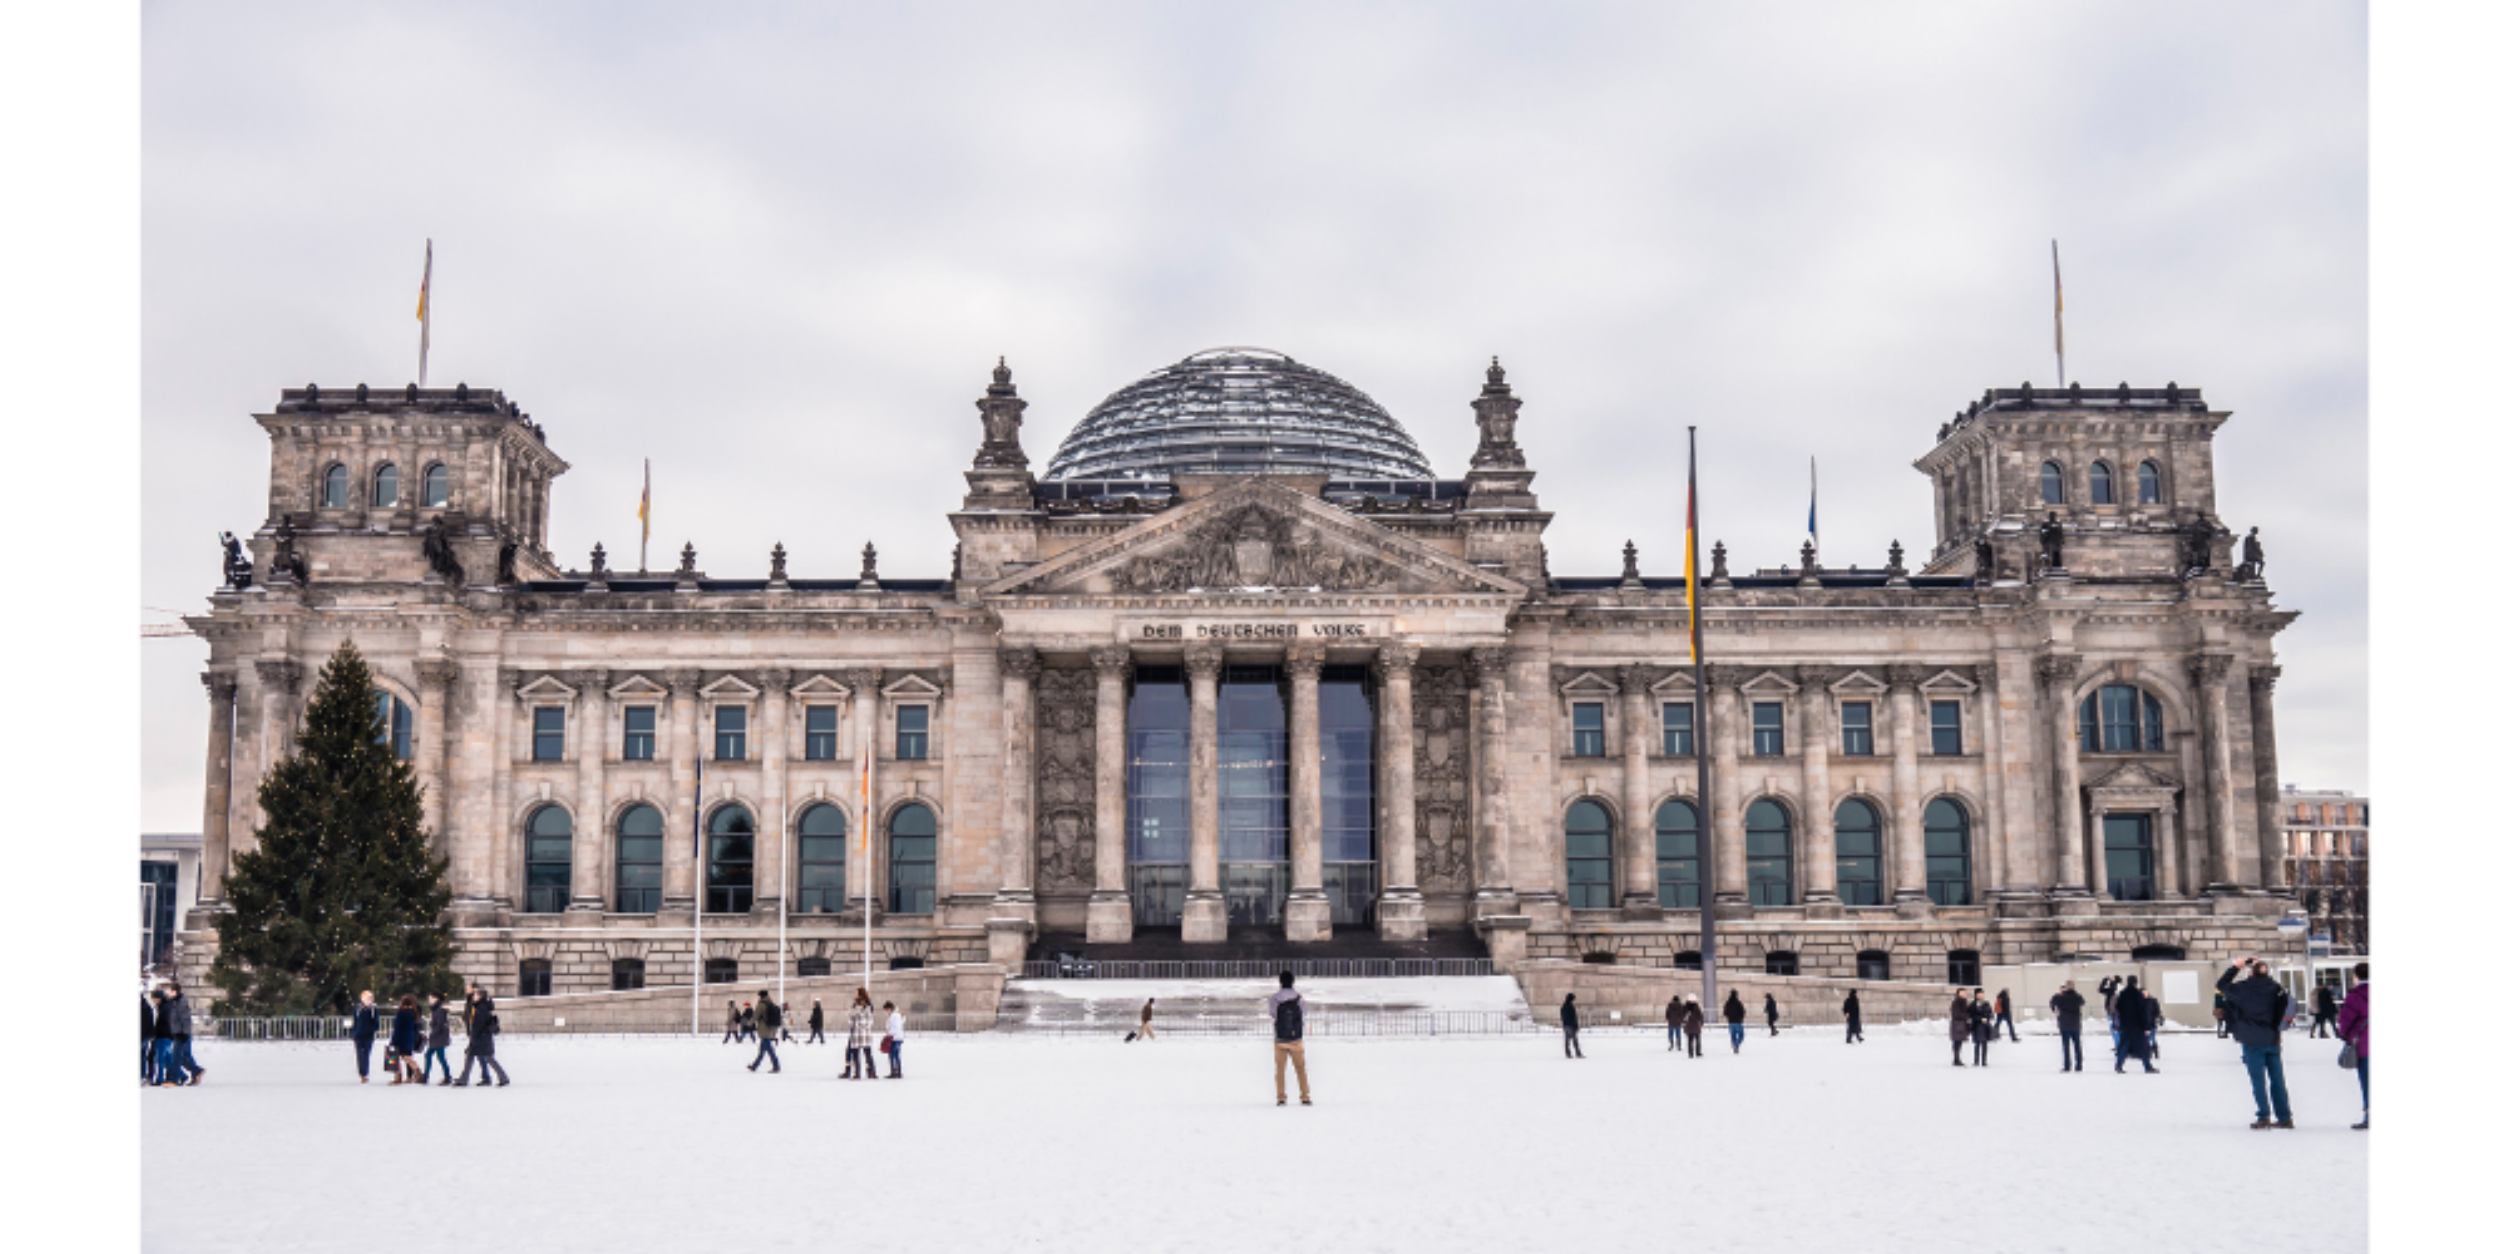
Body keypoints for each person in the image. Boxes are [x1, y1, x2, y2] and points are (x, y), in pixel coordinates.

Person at [2217, 956, 2293, 1128]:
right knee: (2278, 1080)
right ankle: (2284, 1117)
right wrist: (2259, 968)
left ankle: (2263, 1115)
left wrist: (2236, 967)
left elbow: (2221, 984)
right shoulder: (2274, 988)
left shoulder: (2243, 989)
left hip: (2251, 1040)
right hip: (2272, 1039)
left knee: (2258, 1081)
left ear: (2250, 972)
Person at [2333, 963, 2369, 1130]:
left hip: (2364, 1045)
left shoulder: (2355, 996)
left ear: (2356, 977)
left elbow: (2345, 1020)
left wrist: (2344, 1034)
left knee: (2368, 1082)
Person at [1269, 972, 1311, 1105]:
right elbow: (1304, 1013)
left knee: (1280, 1069)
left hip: (1280, 1038)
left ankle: (1281, 1097)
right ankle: (1305, 1096)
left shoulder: (1275, 998)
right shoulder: (1298, 998)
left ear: (1280, 982)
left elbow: (1273, 1014)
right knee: (1300, 1068)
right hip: (1296, 1039)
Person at [458, 986, 510, 1087]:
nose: (474, 996)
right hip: (481, 1037)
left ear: (480, 996)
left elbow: (479, 1024)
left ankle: (502, 1077)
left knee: (487, 1058)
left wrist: (474, 1036)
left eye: (476, 995)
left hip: (481, 1037)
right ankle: (464, 1078)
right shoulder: (479, 1006)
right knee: (473, 1057)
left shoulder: (481, 1008)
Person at [2112, 976, 2156, 1074]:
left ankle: (2118, 1065)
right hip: (2137, 1026)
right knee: (2144, 1047)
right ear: (2136, 983)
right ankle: (2147, 1067)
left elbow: (2118, 1009)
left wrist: (2118, 1024)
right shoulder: (2138, 994)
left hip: (2125, 1025)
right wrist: (2146, 1026)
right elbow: (2142, 1012)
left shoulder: (2122, 994)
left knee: (2123, 1046)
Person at [2050, 980, 2087, 1073]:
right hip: (2075, 1024)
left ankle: (2067, 1066)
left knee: (2066, 1046)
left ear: (2065, 987)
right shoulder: (2077, 997)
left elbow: (2053, 1002)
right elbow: (2082, 1002)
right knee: (2077, 1045)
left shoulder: (2061, 997)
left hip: (2065, 1024)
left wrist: (2058, 993)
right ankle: (2079, 1065)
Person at [389, 994, 422, 1085]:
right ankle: (417, 1072)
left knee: (396, 1057)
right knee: (407, 1057)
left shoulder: (401, 1013)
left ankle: (398, 1076)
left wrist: (393, 1041)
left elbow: (398, 1028)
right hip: (409, 1037)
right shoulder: (413, 1013)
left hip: (401, 1038)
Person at [844, 989, 875, 1080]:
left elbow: (851, 1022)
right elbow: (869, 1021)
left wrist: (858, 1025)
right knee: (861, 1054)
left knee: (862, 1054)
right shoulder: (863, 1009)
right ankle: (865, 1072)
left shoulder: (863, 1009)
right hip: (861, 1034)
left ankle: (864, 1072)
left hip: (860, 1034)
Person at [749, 991, 783, 1073]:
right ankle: (755, 1066)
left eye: (759, 996)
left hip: (764, 1029)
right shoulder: (770, 1003)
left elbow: (756, 1015)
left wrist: (749, 1023)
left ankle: (776, 1066)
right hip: (769, 1028)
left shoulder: (761, 1005)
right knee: (763, 1050)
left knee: (769, 1049)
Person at [351, 990, 380, 1084]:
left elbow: (376, 1022)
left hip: (368, 1035)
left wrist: (372, 1030)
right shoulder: (358, 1008)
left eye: (369, 998)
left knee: (366, 1053)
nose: (368, 1000)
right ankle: (362, 1073)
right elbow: (355, 1020)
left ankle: (365, 1073)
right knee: (360, 1054)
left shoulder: (373, 1009)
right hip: (358, 1034)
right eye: (366, 998)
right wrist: (354, 1032)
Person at [423, 993, 453, 1085]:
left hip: (439, 1037)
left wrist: (433, 1034)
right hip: (437, 1037)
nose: (429, 1000)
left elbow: (440, 1025)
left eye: (430, 998)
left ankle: (447, 1076)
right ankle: (426, 1076)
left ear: (436, 999)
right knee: (429, 1055)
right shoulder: (437, 1009)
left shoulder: (440, 1010)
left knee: (440, 1057)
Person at [1969, 988, 1993, 1067]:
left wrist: (1987, 1018)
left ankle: (1984, 1060)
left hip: (1985, 1026)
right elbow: (1971, 1015)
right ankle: (1976, 1060)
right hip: (1977, 1026)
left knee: (1984, 1044)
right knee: (1977, 1044)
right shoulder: (1973, 1005)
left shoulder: (1986, 1004)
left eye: (1982, 994)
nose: (1981, 995)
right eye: (1979, 994)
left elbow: (1991, 1014)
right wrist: (1980, 1019)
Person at [883, 1001, 906, 1078]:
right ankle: (898, 1071)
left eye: (886, 1010)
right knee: (896, 1055)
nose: (886, 1012)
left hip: (894, 1038)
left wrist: (888, 1033)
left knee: (892, 1055)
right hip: (899, 1038)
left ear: (889, 1009)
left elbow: (894, 1028)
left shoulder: (893, 1016)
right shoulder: (898, 1015)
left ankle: (893, 1072)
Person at [1949, 990, 1971, 1066]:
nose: (1964, 994)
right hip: (1957, 1025)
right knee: (1956, 1042)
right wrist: (1966, 1016)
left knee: (1959, 1042)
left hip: (1961, 1024)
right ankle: (1956, 1059)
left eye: (1965, 993)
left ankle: (1957, 1059)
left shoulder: (1964, 1002)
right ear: (1958, 994)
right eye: (1962, 993)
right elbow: (1956, 1014)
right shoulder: (1956, 1003)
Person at [1560, 993, 1584, 1059]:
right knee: (1575, 1040)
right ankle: (1578, 1053)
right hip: (1571, 1025)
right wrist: (1576, 1025)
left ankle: (1568, 1053)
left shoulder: (1563, 1006)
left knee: (1567, 1040)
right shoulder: (1570, 1007)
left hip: (1565, 1025)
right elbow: (1573, 1017)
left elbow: (1562, 1016)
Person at [142, 993, 159, 1086]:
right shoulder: (150, 1008)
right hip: (149, 1035)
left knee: (146, 1057)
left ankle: (144, 1075)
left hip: (146, 1035)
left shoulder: (146, 1008)